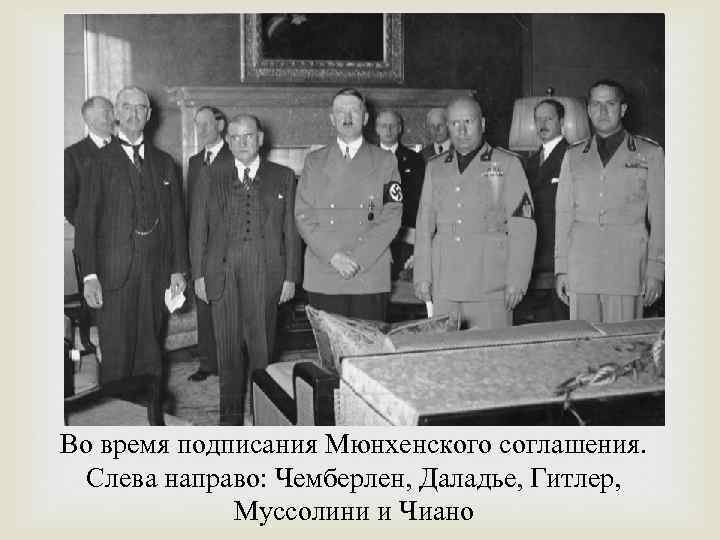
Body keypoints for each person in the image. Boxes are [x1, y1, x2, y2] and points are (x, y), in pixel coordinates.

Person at [75, 85, 188, 425]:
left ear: (149, 115)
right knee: (117, 350)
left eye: (141, 108)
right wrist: (90, 276)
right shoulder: (97, 162)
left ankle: (150, 419)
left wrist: (178, 269)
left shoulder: (165, 163)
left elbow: (176, 220)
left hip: (155, 272)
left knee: (151, 348)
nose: (134, 113)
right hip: (113, 275)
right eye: (127, 107)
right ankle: (116, 422)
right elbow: (86, 224)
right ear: (116, 114)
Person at [190, 114, 300, 425]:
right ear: (228, 141)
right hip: (221, 275)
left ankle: (263, 420)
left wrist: (291, 277)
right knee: (227, 354)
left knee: (262, 352)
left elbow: (291, 231)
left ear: (260, 138)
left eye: (248, 136)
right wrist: (198, 275)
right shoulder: (210, 175)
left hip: (267, 276)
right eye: (235, 137)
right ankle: (230, 424)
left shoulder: (283, 176)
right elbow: (197, 229)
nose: (241, 142)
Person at [414, 96, 536, 329]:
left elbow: (523, 228)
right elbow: (424, 225)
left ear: (483, 123)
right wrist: (422, 275)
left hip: (490, 283)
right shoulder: (435, 166)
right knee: (445, 348)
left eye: (468, 122)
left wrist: (517, 280)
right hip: (445, 281)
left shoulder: (507, 164)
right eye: (455, 123)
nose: (461, 130)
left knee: (490, 349)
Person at [555, 79, 664, 322]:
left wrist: (656, 270)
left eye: (610, 104)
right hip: (582, 270)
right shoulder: (574, 155)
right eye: (596, 104)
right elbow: (563, 216)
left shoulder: (650, 153)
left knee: (623, 342)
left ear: (623, 109)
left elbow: (661, 216)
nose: (602, 111)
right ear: (588, 109)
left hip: (626, 271)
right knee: (582, 341)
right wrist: (561, 268)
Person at [295, 88, 402, 322]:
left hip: (369, 272)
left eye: (354, 110)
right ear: (332, 119)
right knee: (329, 343)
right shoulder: (314, 161)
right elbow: (303, 216)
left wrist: (359, 259)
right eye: (340, 111)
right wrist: (334, 256)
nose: (347, 116)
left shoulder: (385, 161)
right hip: (326, 271)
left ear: (365, 118)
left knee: (368, 342)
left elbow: (392, 215)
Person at [185, 106, 233, 382]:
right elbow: (190, 207)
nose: (201, 130)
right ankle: (207, 363)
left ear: (221, 125)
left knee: (227, 307)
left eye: (206, 124)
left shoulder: (234, 157)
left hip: (226, 248)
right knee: (204, 305)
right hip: (200, 246)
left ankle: (229, 363)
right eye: (197, 124)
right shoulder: (194, 162)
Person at [515, 99, 570, 322]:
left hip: (558, 261)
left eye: (549, 118)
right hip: (533, 260)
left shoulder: (572, 157)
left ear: (562, 122)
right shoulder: (528, 163)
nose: (542, 124)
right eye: (538, 119)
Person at [374, 109, 425, 280]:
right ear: (377, 129)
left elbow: (419, 200)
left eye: (392, 126)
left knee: (404, 285)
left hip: (406, 237)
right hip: (375, 236)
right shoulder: (367, 159)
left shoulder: (415, 160)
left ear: (400, 128)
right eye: (383, 126)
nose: (388, 130)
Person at [64, 96, 114, 225]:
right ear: (90, 119)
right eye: (106, 112)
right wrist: (87, 228)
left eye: (112, 111)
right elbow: (67, 202)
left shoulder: (127, 148)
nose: (113, 117)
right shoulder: (72, 155)